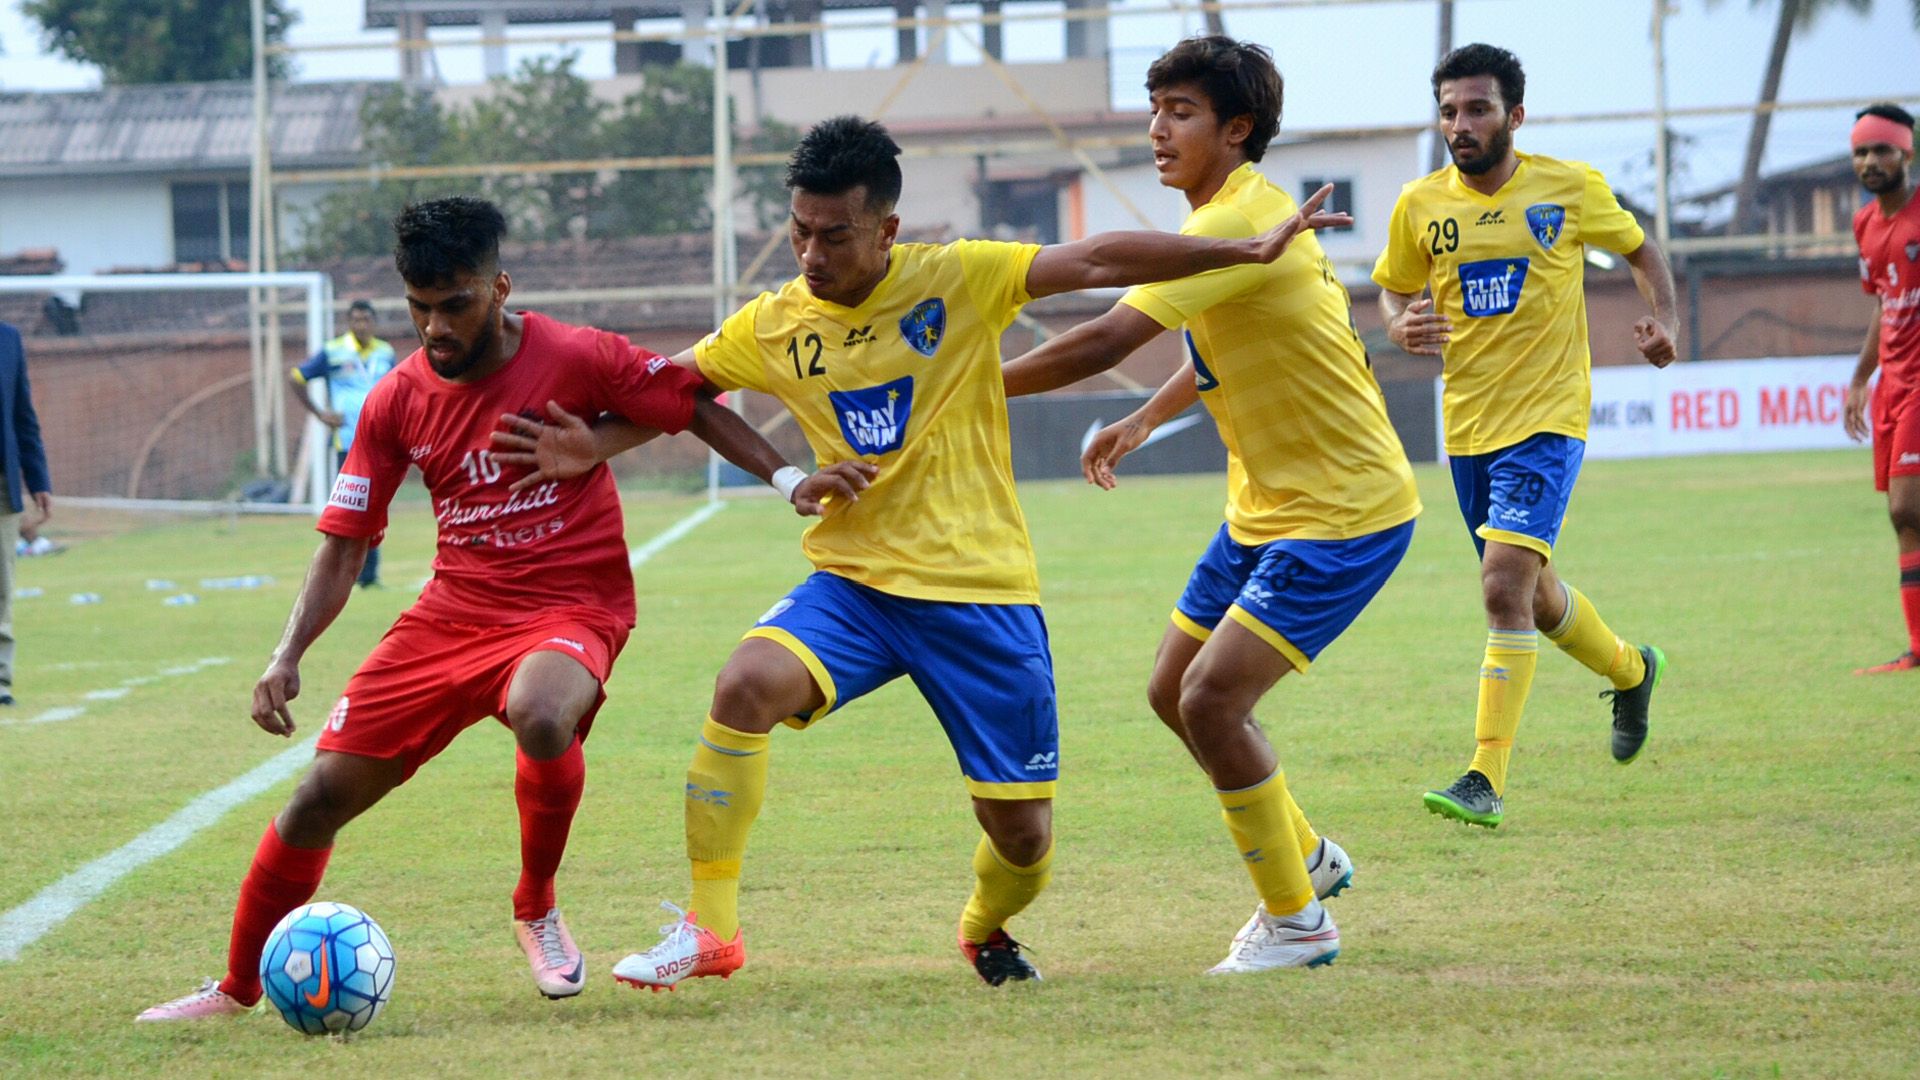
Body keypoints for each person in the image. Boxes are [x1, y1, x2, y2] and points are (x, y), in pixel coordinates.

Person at [489, 115, 1331, 987]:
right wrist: (611, 446)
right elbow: (680, 388)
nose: (812, 254)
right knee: (744, 684)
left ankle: (984, 925)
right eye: (800, 232)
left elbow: (1095, 261)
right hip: (855, 585)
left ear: (887, 230)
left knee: (1025, 841)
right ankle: (712, 929)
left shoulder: (957, 278)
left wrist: (1241, 253)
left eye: (836, 235)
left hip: (982, 594)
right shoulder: (775, 322)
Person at [134, 196, 860, 1022]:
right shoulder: (395, 400)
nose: (434, 327)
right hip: (452, 613)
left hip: (571, 602)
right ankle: (234, 988)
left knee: (540, 711)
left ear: (500, 287)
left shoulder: (576, 356)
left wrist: (787, 480)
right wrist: (286, 654)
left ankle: (536, 907)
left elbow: (687, 401)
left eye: (455, 304)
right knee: (315, 800)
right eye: (419, 307)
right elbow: (344, 543)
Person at [995, 36, 1419, 973]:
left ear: (1238, 129)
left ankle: (1299, 924)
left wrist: (962, 391)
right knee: (1170, 693)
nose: (1157, 128)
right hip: (1263, 509)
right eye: (1156, 109)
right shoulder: (1232, 230)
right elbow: (1225, 338)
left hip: (1343, 513)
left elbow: (1103, 337)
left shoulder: (1244, 218)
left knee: (1211, 701)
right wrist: (1146, 420)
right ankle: (1305, 855)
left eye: (1180, 111)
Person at [1373, 44, 1678, 829]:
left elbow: (1642, 251)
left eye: (1476, 109)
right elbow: (1393, 289)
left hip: (1547, 417)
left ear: (1515, 114)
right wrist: (1400, 324)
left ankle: (1485, 777)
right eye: (1448, 111)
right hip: (1469, 425)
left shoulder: (1569, 188)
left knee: (1501, 585)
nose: (1460, 124)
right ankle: (1631, 669)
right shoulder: (1419, 205)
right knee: (1534, 598)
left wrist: (1665, 321)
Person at [1843, 103, 1920, 675]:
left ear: (1906, 152)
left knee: (1907, 506)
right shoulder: (1865, 224)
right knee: (1906, 519)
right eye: (1862, 152)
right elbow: (1882, 304)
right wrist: (1860, 377)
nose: (1871, 161)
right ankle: (1918, 648)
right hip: (1893, 383)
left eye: (1882, 150)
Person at [287, 298, 397, 587]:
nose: (361, 325)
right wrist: (320, 414)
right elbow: (297, 378)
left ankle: (369, 576)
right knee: (349, 510)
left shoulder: (385, 353)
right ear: (349, 323)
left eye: (366, 319)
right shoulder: (334, 351)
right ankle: (343, 570)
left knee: (376, 508)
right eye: (356, 320)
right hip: (347, 443)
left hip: (381, 442)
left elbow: (397, 391)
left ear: (373, 322)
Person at [0, 321, 51, 708]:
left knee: (1, 586)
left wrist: (38, 479)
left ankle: (0, 681)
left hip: (2, 483)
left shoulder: (9, 338)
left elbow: (22, 414)